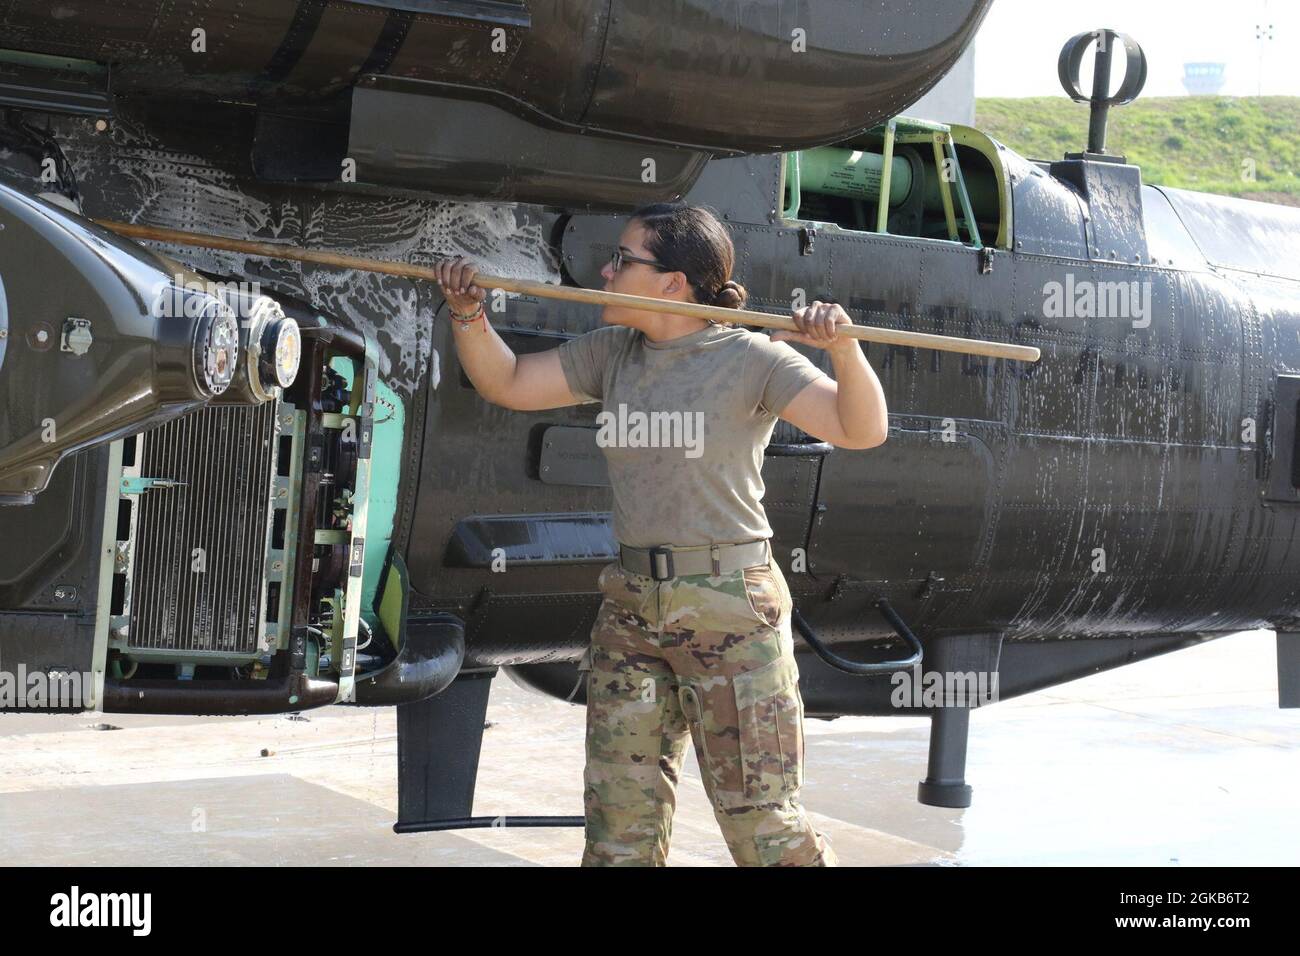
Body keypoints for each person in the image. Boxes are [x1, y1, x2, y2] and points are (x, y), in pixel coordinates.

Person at [434, 202, 888, 866]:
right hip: (632, 608)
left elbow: (860, 428)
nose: (606, 271)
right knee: (619, 835)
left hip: (731, 608)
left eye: (624, 260)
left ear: (674, 282)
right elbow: (507, 381)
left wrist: (843, 350)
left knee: (762, 827)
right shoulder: (612, 353)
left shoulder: (752, 358)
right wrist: (467, 313)